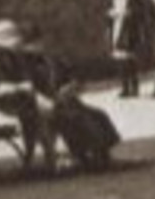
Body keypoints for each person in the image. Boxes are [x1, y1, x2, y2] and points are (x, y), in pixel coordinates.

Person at [19, 20, 120, 171]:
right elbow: (30, 90)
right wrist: (53, 96)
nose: (37, 47)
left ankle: (101, 152)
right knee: (73, 119)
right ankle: (83, 156)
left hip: (64, 100)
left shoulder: (49, 61)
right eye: (32, 43)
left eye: (38, 41)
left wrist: (70, 86)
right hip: (46, 105)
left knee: (97, 114)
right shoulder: (24, 66)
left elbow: (67, 75)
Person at [0, 18, 59, 174]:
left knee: (36, 116)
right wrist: (16, 87)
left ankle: (48, 162)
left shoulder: (17, 63)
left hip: (14, 108)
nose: (12, 51)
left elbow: (29, 88)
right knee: (30, 118)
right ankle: (40, 161)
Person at [106, 0, 146, 97]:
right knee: (120, 60)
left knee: (130, 59)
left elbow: (140, 11)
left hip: (130, 28)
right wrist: (110, 14)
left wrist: (130, 13)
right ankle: (124, 87)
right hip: (116, 26)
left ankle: (134, 86)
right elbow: (106, 10)